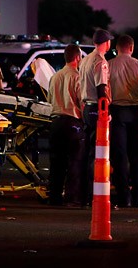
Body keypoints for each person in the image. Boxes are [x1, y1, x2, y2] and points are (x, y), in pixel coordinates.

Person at [107, 34, 138, 208]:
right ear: (131, 48)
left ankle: (123, 196)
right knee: (136, 157)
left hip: (116, 112)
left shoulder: (108, 65)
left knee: (119, 157)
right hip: (136, 113)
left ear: (117, 48)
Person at [77, 28, 112, 205]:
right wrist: (106, 111)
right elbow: (101, 88)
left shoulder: (85, 59)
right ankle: (93, 194)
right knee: (97, 154)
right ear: (107, 43)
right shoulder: (100, 61)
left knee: (86, 153)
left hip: (86, 107)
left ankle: (82, 194)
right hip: (96, 109)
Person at [46, 44, 84, 206]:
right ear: (77, 58)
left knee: (56, 162)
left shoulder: (55, 77)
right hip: (72, 122)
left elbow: (49, 100)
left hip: (56, 122)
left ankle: (54, 196)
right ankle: (71, 197)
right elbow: (81, 101)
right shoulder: (77, 76)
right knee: (74, 161)